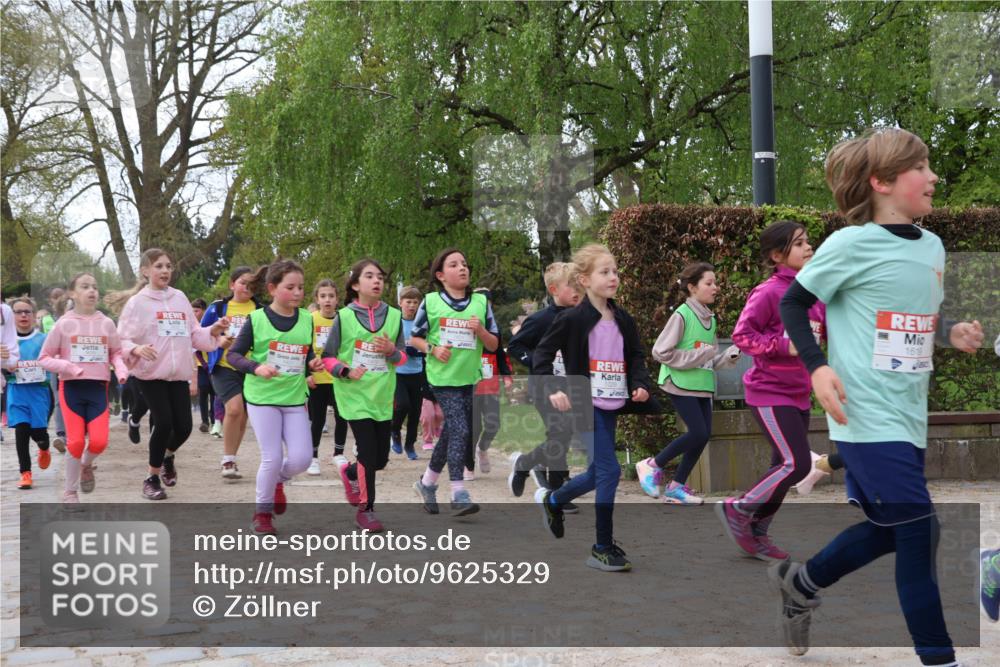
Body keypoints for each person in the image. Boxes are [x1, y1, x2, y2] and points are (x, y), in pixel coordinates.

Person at [772, 128, 983, 665]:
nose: (934, 177)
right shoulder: (850, 243)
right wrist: (817, 368)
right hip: (863, 415)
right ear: (883, 181)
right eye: (922, 167)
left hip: (908, 415)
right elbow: (793, 305)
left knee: (888, 528)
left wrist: (950, 331)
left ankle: (802, 583)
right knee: (918, 529)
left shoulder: (931, 247)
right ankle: (940, 657)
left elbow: (910, 318)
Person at [531, 244, 659, 572]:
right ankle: (602, 546)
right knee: (611, 470)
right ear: (585, 280)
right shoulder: (572, 318)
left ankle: (554, 499)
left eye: (615, 271)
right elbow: (541, 356)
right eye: (605, 272)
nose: (613, 276)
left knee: (596, 472)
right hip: (584, 404)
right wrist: (555, 388)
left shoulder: (623, 319)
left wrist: (639, 384)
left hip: (612, 402)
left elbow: (635, 356)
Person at [713, 221, 826, 562]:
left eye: (808, 241)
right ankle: (739, 509)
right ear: (778, 255)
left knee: (782, 464)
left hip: (799, 392)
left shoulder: (816, 295)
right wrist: (781, 345)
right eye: (799, 244)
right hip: (769, 391)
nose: (808, 247)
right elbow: (742, 335)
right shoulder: (769, 292)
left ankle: (757, 532)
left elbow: (826, 334)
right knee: (797, 462)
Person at [111, 249, 227, 500]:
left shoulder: (180, 298)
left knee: (184, 427)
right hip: (150, 373)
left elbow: (194, 334)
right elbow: (121, 340)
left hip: (178, 374)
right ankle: (151, 478)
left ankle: (167, 457)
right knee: (163, 422)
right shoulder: (137, 303)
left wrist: (214, 331)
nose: (165, 271)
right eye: (159, 266)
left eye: (168, 266)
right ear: (145, 271)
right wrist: (137, 348)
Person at [226, 260, 325, 534]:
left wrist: (312, 365)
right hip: (262, 398)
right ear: (272, 288)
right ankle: (263, 513)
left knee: (302, 459)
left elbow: (304, 355)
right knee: (271, 456)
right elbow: (233, 355)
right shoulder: (256, 319)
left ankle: (278, 481)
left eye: (301, 287)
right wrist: (256, 367)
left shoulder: (307, 318)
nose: (297, 292)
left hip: (294, 398)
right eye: (290, 287)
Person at [635, 262, 740, 505]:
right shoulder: (682, 315)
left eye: (715, 283)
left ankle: (676, 487)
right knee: (699, 432)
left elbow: (709, 360)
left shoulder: (710, 319)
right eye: (709, 283)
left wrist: (728, 357)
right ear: (692, 287)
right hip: (679, 382)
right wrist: (699, 356)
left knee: (703, 436)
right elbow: (660, 352)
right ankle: (651, 465)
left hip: (702, 385)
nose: (716, 287)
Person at [410, 248, 500, 517]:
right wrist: (432, 349)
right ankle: (458, 492)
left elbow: (494, 344)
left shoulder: (481, 304)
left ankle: (426, 483)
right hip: (442, 378)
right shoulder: (431, 302)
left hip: (469, 378)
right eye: (454, 265)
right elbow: (414, 338)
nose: (462, 268)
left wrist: (480, 330)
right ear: (441, 275)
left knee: (451, 432)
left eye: (464, 263)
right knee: (461, 430)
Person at [321, 259, 406, 532]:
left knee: (380, 459)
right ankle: (366, 511)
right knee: (369, 453)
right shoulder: (343, 317)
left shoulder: (394, 316)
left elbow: (402, 358)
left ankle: (349, 471)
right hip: (353, 395)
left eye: (380, 276)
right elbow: (327, 358)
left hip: (382, 396)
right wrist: (345, 370)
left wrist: (392, 350)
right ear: (356, 284)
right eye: (369, 276)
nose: (377, 281)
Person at [38, 273, 128, 506]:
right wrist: (67, 366)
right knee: (75, 442)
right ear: (72, 293)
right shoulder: (64, 324)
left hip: (98, 388)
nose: (92, 292)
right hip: (72, 389)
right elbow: (44, 358)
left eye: (95, 287)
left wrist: (120, 369)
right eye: (85, 287)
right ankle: (70, 492)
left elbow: (116, 352)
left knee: (99, 442)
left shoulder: (106, 323)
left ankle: (86, 464)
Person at [507, 262, 581, 506]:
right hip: (544, 387)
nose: (577, 290)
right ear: (554, 289)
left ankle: (528, 466)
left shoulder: (581, 317)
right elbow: (515, 346)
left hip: (571, 386)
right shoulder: (540, 320)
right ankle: (556, 492)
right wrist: (536, 361)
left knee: (563, 435)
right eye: (571, 285)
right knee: (560, 432)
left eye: (580, 284)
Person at [201, 266, 262, 479]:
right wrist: (218, 341)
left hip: (250, 368)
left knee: (243, 415)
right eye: (243, 282)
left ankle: (231, 459)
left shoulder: (261, 309)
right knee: (234, 409)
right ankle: (227, 459)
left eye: (252, 284)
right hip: (223, 367)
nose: (247, 287)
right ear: (232, 284)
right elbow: (200, 334)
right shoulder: (218, 308)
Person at [466, 287, 513, 480]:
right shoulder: (464, 324)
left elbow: (500, 355)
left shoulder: (494, 329)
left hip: (490, 384)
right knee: (473, 427)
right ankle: (467, 466)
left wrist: (507, 375)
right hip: (470, 385)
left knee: (494, 424)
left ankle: (483, 449)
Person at [5, 298, 51, 489]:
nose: (23, 315)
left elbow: (52, 363)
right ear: (11, 316)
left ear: (34, 315)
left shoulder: (43, 339)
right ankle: (25, 473)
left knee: (38, 432)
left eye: (27, 311)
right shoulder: (6, 342)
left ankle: (44, 447)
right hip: (17, 392)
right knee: (21, 431)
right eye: (18, 312)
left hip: (39, 392)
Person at [306, 279, 348, 475]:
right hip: (318, 378)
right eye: (323, 296)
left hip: (338, 378)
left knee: (342, 417)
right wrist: (307, 374)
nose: (327, 300)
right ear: (317, 299)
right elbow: (304, 348)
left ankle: (339, 454)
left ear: (337, 299)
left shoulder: (343, 319)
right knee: (318, 419)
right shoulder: (310, 319)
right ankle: (313, 458)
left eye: (331, 296)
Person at [391, 286, 425, 460]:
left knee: (415, 411)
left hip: (417, 372)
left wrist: (419, 352)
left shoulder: (421, 322)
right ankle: (394, 431)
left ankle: (410, 444)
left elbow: (427, 345)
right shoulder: (395, 322)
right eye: (408, 302)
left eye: (415, 302)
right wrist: (401, 351)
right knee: (403, 405)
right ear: (400, 303)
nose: (411, 306)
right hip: (398, 372)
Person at [191, 298, 216, 434]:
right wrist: (203, 363)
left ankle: (214, 420)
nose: (194, 313)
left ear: (204, 311)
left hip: (214, 365)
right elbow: (195, 348)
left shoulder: (209, 324)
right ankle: (204, 421)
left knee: (214, 393)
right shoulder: (193, 327)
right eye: (192, 311)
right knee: (203, 391)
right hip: (201, 366)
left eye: (197, 310)